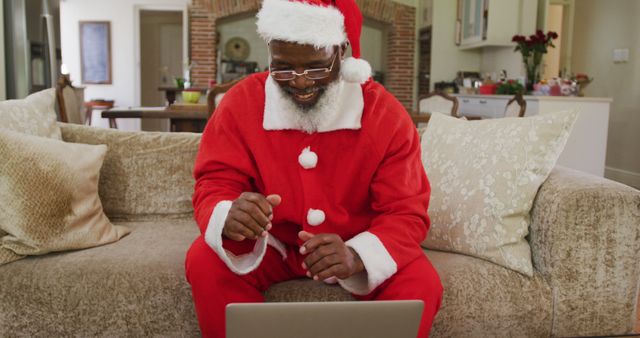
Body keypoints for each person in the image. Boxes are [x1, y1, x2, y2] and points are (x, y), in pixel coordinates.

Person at [185, 0, 443, 337]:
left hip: (356, 241)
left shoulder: (385, 115)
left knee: (422, 283)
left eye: (317, 67)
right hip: (273, 245)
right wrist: (228, 212)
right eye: (283, 67)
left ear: (343, 53)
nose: (301, 82)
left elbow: (406, 212)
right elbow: (215, 180)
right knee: (204, 261)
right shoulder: (240, 102)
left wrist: (357, 254)